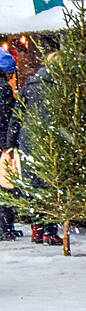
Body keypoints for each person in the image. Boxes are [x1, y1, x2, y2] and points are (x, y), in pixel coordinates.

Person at [16, 57, 60, 246]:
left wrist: (11, 143)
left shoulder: (30, 83)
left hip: (28, 139)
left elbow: (18, 114)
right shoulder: (60, 85)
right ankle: (50, 231)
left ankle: (37, 228)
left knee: (34, 185)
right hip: (52, 138)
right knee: (52, 184)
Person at [0, 47, 20, 240]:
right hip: (2, 142)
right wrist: (9, 143)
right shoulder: (4, 90)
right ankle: (5, 227)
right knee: (6, 184)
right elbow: (7, 119)